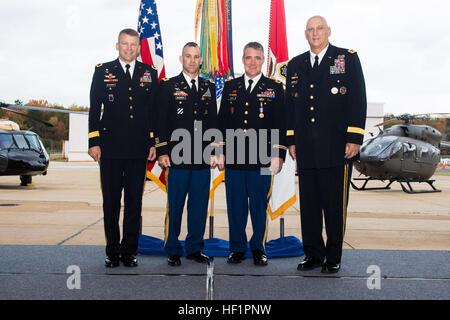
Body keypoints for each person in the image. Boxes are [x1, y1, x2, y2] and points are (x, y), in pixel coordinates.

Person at [286, 16, 367, 273]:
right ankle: (313, 254)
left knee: (333, 206)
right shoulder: (295, 64)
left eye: (319, 28)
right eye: (310, 29)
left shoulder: (346, 59)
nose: (315, 33)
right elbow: (291, 106)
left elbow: (358, 99)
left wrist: (354, 138)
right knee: (309, 207)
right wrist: (291, 140)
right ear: (305, 34)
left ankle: (333, 256)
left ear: (328, 31)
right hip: (306, 148)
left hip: (337, 147)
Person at [88, 28, 158, 268]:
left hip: (138, 148)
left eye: (133, 44)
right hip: (110, 148)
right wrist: (93, 142)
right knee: (111, 201)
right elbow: (94, 108)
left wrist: (152, 143)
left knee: (133, 203)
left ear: (139, 48)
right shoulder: (103, 71)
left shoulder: (149, 73)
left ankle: (129, 251)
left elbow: (152, 114)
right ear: (117, 46)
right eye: (125, 44)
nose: (129, 48)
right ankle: (112, 251)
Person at [218, 42, 286, 266]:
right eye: (249, 57)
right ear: (242, 59)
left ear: (263, 60)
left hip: (263, 159)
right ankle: (237, 248)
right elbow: (222, 122)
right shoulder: (231, 86)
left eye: (257, 58)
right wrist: (220, 150)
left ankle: (259, 247)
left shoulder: (274, 87)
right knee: (236, 205)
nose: (253, 62)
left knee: (259, 205)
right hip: (235, 157)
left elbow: (280, 123)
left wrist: (277, 154)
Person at [155, 42, 219, 267]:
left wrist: (215, 150)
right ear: (181, 59)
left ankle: (194, 248)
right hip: (177, 156)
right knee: (175, 204)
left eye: (196, 57)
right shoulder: (169, 85)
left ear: (201, 60)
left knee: (199, 205)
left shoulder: (209, 87)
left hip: (202, 157)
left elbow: (213, 121)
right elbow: (160, 120)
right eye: (188, 56)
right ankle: (172, 248)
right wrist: (162, 150)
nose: (192, 60)